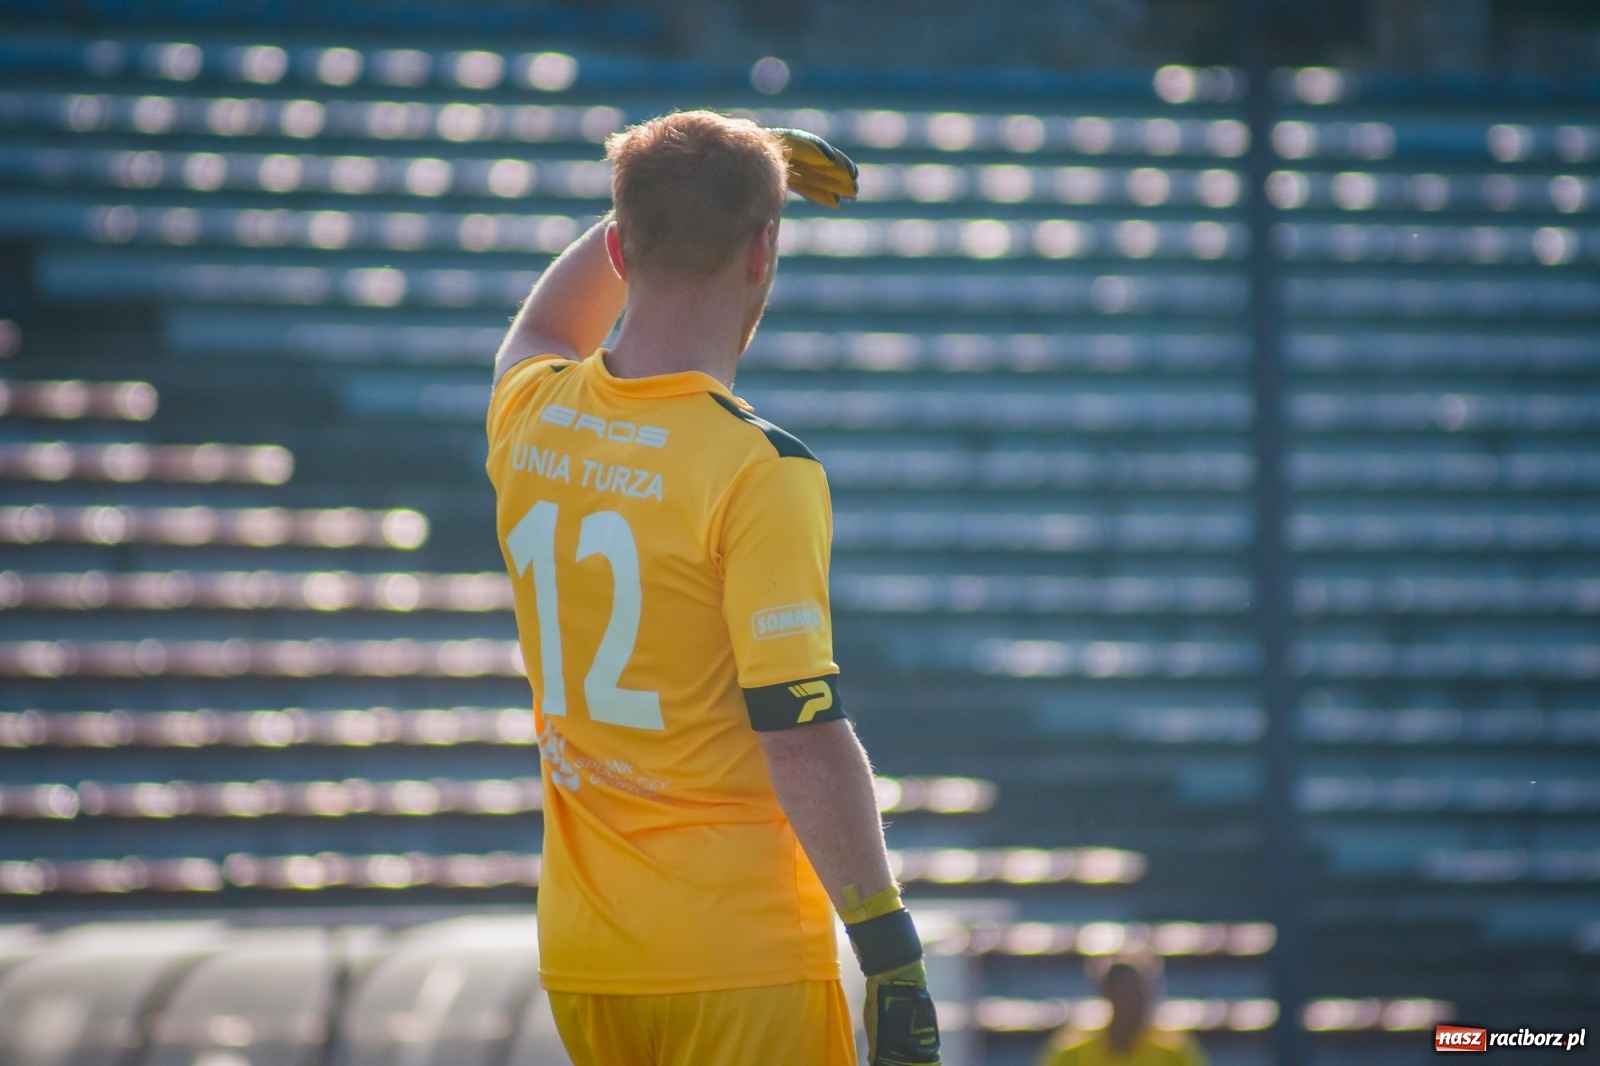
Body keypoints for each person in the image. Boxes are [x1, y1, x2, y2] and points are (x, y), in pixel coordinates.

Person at [484, 110, 941, 1066]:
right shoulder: (757, 469)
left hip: (587, 963)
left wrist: (675, 193)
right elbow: (803, 737)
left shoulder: (531, 411)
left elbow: (538, 324)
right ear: (763, 251)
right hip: (741, 963)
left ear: (617, 243)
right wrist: (891, 953)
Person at [1036, 959, 1208, 1066]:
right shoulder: (1070, 1050)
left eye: (1139, 992)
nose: (1134, 1001)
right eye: (1125, 992)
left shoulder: (1176, 1050)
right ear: (1107, 993)